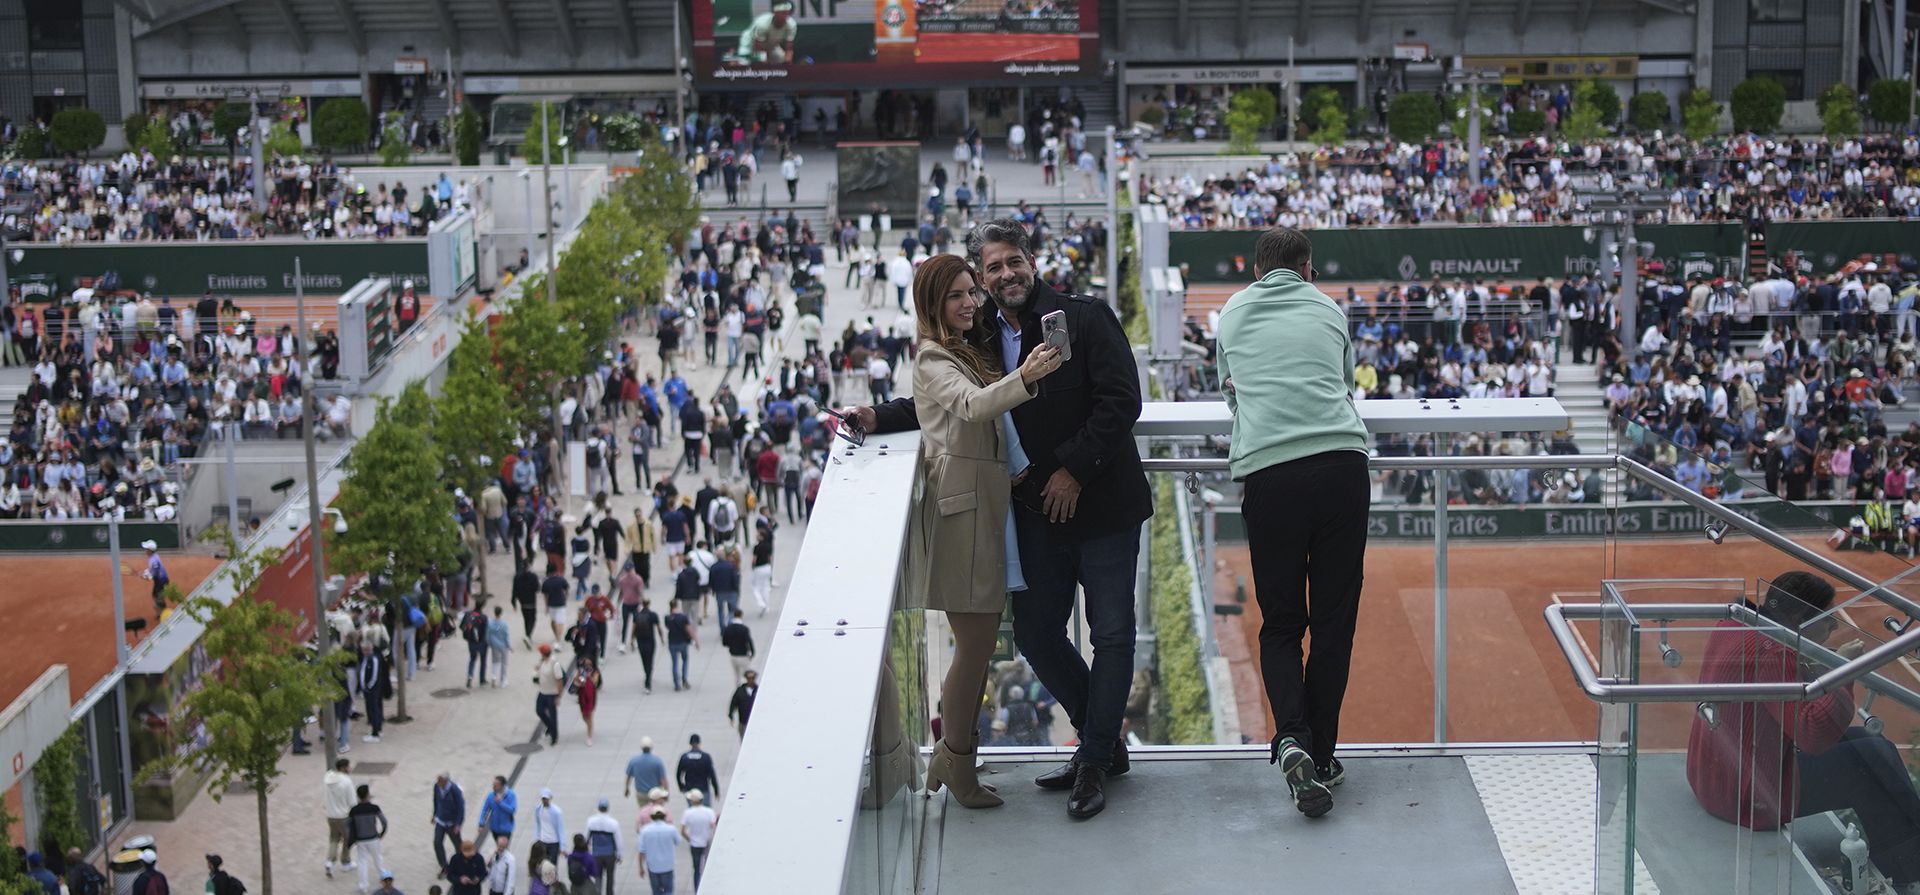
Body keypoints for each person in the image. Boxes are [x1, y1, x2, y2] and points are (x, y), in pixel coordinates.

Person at [853, 219, 1150, 819]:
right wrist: (878, 415)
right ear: (984, 280)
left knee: (1113, 634)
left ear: (1032, 261)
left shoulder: (1085, 317)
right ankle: (1103, 741)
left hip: (1101, 504)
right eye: (992, 269)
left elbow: (1122, 401)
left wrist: (1073, 470)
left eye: (1014, 261)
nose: (1005, 275)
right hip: (1037, 514)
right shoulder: (983, 336)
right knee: (1037, 634)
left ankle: (1093, 756)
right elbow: (944, 398)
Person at [1213, 226, 1369, 819]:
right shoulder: (1330, 309)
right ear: (1308, 269)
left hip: (1271, 477)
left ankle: (1293, 741)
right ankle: (1321, 755)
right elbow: (1345, 386)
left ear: (1257, 272)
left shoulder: (1231, 313)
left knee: (1281, 624)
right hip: (1341, 468)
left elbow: (1231, 394)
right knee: (1334, 622)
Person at [906, 252, 1062, 809]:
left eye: (973, 292)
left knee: (977, 646)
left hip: (980, 508)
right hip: (964, 512)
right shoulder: (931, 358)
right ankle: (955, 762)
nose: (971, 302)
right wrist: (1028, 375)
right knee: (973, 648)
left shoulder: (955, 349)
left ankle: (957, 757)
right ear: (932, 302)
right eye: (957, 295)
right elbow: (971, 406)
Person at [1687, 571, 1920, 889]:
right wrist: (1842, 670)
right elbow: (1813, 734)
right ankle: (1909, 874)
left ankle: (1908, 866)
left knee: (1874, 746)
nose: (1836, 625)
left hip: (1719, 775)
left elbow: (1785, 683)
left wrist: (1826, 664)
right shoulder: (1771, 652)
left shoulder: (1738, 622)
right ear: (1800, 620)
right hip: (1749, 796)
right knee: (1871, 769)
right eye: (1829, 617)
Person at [349, 783, 391, 891]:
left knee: (362, 861)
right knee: (377, 858)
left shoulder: (353, 810)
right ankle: (383, 878)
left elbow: (348, 824)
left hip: (360, 840)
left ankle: (363, 886)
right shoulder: (374, 808)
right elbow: (384, 822)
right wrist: (381, 834)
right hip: (373, 838)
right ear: (367, 795)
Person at [635, 808, 682, 895]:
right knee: (668, 890)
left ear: (652, 817)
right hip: (668, 865)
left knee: (656, 891)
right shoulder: (671, 829)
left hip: (653, 866)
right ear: (664, 817)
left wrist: (641, 867)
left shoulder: (645, 830)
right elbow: (678, 841)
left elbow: (641, 850)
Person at [325, 758, 358, 878]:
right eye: (349, 766)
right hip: (343, 816)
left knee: (334, 839)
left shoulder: (327, 778)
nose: (350, 769)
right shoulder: (346, 782)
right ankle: (346, 862)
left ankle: (330, 861)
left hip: (330, 815)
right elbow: (352, 802)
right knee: (347, 839)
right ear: (344, 767)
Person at [680, 790, 718, 890]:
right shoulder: (709, 812)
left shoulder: (688, 813)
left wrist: (689, 839)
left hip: (695, 843)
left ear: (691, 801)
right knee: (707, 867)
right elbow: (713, 826)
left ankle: (697, 889)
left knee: (696, 868)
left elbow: (682, 831)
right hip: (707, 841)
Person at [585, 799, 623, 895]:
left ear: (598, 808)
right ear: (607, 808)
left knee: (598, 877)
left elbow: (586, 838)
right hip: (610, 855)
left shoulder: (591, 821)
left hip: (596, 854)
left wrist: (586, 853)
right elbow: (618, 841)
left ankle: (598, 892)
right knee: (610, 877)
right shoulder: (613, 823)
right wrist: (619, 855)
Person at [433, 771, 467, 875]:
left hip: (452, 823)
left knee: (458, 845)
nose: (438, 782)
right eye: (437, 780)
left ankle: (461, 864)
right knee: (437, 842)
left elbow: (461, 808)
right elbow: (435, 800)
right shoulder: (436, 786)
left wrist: (458, 824)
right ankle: (444, 866)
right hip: (441, 821)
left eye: (440, 781)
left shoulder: (455, 790)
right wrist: (434, 814)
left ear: (446, 781)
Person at [624, 737, 669, 810]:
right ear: (651, 747)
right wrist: (666, 792)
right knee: (656, 812)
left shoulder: (634, 761)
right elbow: (663, 780)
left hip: (641, 793)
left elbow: (628, 777)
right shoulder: (657, 761)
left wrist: (626, 789)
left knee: (644, 812)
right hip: (656, 794)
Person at [533, 644, 566, 745]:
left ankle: (554, 736)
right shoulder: (543, 661)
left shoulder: (554, 664)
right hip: (542, 691)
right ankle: (549, 726)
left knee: (553, 715)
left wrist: (558, 696)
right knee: (539, 710)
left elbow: (559, 680)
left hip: (552, 693)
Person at [358, 640, 388, 743]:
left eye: (365, 650)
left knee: (374, 709)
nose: (363, 652)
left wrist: (369, 687)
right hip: (367, 690)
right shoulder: (366, 658)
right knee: (371, 709)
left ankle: (376, 733)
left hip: (372, 690)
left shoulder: (374, 659)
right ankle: (376, 730)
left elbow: (375, 675)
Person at [631, 599, 664, 693]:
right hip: (650, 641)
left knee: (644, 660)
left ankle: (647, 674)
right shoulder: (653, 615)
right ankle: (648, 682)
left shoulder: (636, 615)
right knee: (650, 660)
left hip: (640, 641)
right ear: (649, 604)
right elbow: (659, 628)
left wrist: (631, 640)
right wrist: (662, 639)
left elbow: (633, 629)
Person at [529, 787, 566, 870]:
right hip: (543, 841)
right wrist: (536, 838)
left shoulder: (557, 812)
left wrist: (562, 846)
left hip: (554, 842)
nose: (545, 801)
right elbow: (538, 824)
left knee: (552, 865)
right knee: (542, 863)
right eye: (543, 799)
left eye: (546, 799)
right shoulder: (538, 809)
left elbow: (560, 829)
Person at [676, 734, 720, 802]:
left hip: (690, 790)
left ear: (690, 743)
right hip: (703, 789)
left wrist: (681, 786)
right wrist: (716, 791)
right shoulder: (705, 757)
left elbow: (678, 774)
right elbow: (712, 775)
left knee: (692, 810)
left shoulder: (684, 757)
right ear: (699, 743)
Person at [664, 600, 697, 691]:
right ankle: (684, 678)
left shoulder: (667, 618)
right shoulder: (683, 617)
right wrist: (695, 640)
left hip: (672, 642)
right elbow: (689, 630)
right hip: (683, 642)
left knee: (674, 663)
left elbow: (667, 627)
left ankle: (676, 683)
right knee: (685, 660)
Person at [477, 776, 517, 847]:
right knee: (499, 847)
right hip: (495, 828)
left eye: (496, 785)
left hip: (506, 829)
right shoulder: (491, 796)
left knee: (503, 848)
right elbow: (485, 810)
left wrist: (500, 803)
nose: (493, 787)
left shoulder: (511, 795)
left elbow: (512, 810)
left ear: (502, 786)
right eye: (493, 785)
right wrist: (481, 824)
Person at [720, 608, 755, 684]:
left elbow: (724, 642)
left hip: (733, 655)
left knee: (737, 675)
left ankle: (738, 691)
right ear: (741, 615)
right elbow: (749, 641)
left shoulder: (728, 628)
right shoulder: (744, 629)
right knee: (748, 675)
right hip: (743, 655)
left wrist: (731, 644)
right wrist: (752, 652)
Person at [576, 654, 604, 746]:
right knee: (584, 716)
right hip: (582, 695)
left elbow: (595, 682)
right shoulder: (580, 671)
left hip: (591, 695)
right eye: (586, 664)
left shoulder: (595, 672)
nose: (587, 666)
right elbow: (575, 680)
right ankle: (589, 725)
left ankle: (589, 736)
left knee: (590, 715)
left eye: (589, 664)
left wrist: (588, 675)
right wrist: (580, 679)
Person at [140, 539, 169, 614]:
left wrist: (147, 576)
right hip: (160, 579)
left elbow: (155, 572)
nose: (145, 551)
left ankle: (161, 611)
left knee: (157, 594)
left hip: (161, 580)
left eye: (146, 549)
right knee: (156, 594)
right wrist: (147, 573)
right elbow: (153, 570)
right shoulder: (154, 557)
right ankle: (161, 608)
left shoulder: (154, 560)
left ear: (150, 550)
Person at [486, 605, 512, 688]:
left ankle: (494, 677)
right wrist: (509, 646)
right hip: (503, 646)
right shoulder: (504, 624)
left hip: (494, 645)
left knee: (495, 662)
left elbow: (488, 635)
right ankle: (503, 680)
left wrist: (489, 643)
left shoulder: (490, 623)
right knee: (504, 663)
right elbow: (506, 636)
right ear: (501, 613)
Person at [729, 669, 759, 735]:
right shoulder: (740, 691)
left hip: (756, 722)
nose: (751, 680)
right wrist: (731, 715)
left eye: (752, 678)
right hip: (743, 722)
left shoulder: (759, 691)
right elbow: (733, 703)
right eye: (749, 678)